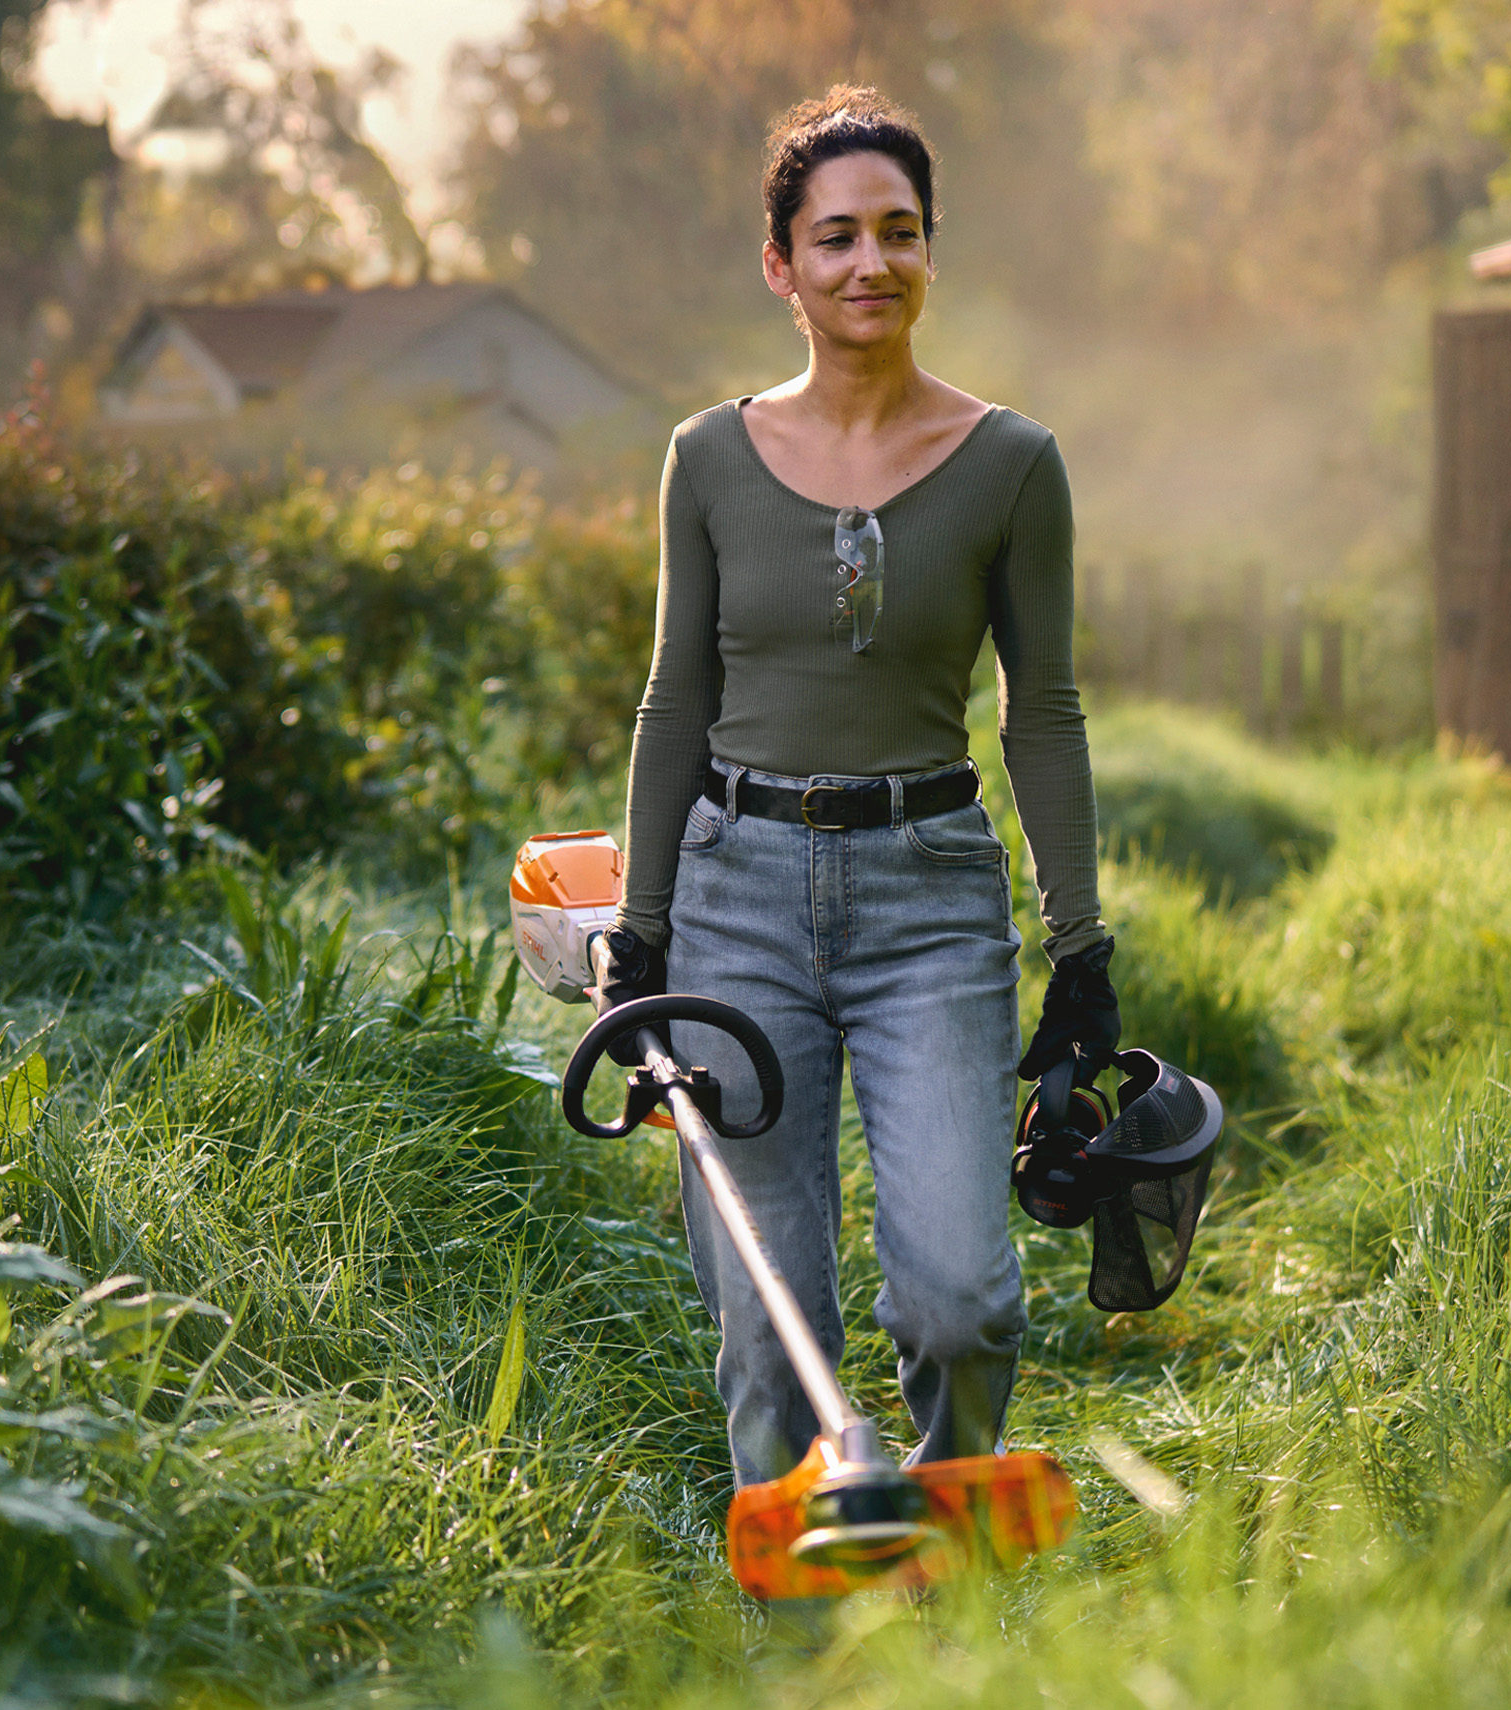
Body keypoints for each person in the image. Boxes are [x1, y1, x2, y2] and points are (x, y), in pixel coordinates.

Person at [606, 86, 1119, 1494]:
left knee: (960, 1300)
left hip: (930, 895)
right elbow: (674, 699)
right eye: (835, 238)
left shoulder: (1014, 465)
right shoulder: (707, 459)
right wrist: (640, 931)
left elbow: (1047, 710)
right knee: (768, 1325)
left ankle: (942, 1562)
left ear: (931, 251)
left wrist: (1082, 946)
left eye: (899, 232)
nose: (869, 264)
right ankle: (799, 1608)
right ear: (781, 265)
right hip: (739, 897)